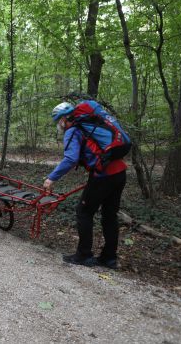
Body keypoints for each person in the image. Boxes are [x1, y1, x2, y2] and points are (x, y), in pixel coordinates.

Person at [43, 102, 127, 269]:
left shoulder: (73, 130)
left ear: (64, 119)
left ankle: (83, 255)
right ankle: (109, 258)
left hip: (103, 175)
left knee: (84, 211)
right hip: (119, 172)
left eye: (59, 121)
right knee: (109, 215)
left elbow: (70, 158)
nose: (59, 125)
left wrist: (51, 178)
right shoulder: (90, 125)